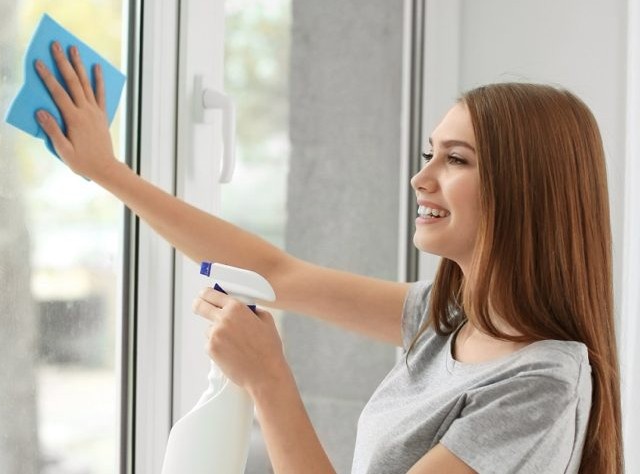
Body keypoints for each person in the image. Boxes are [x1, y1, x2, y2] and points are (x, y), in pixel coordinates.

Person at [32, 42, 623, 473]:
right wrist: (106, 172)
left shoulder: (540, 385)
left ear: (526, 188)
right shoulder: (445, 320)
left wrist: (268, 378)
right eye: (428, 154)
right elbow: (278, 274)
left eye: (456, 160)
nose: (421, 178)